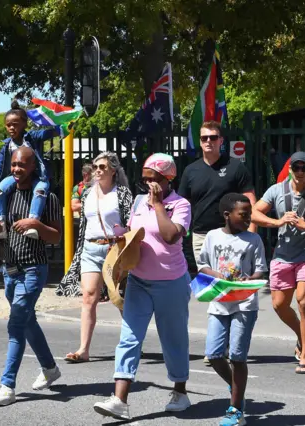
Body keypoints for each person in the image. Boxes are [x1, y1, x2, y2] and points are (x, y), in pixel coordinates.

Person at [93, 153, 192, 420]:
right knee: (129, 337)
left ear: (167, 179)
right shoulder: (138, 202)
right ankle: (119, 400)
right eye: (145, 179)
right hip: (139, 281)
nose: (148, 185)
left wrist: (159, 206)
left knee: (173, 340)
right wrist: (120, 236)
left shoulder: (180, 204)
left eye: (154, 179)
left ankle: (180, 392)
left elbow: (171, 237)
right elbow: (134, 232)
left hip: (171, 283)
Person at [0, 147, 63, 406]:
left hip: (33, 269)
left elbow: (56, 237)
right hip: (9, 268)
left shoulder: (47, 197)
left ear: (33, 167)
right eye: (13, 165)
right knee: (28, 321)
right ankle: (50, 368)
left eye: (22, 165)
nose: (16, 170)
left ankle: (7, 385)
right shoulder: (6, 194)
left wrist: (36, 225)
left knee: (16, 324)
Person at [251, 152, 305, 374]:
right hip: (283, 254)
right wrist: (277, 221)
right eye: (296, 167)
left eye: (304, 168)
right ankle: (302, 334)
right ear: (289, 169)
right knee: (279, 304)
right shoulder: (276, 190)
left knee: (304, 301)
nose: (299, 172)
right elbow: (253, 213)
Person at [178, 120, 257, 363]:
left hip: (232, 237)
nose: (209, 142)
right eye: (204, 138)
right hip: (202, 237)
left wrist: (250, 234)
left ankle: (225, 342)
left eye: (213, 137)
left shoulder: (235, 168)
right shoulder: (191, 171)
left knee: (231, 286)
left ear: (221, 141)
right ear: (199, 142)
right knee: (213, 287)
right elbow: (182, 204)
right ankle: (220, 343)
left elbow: (250, 200)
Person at [197, 193, 268, 426]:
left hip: (244, 304)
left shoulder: (253, 240)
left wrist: (250, 279)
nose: (248, 218)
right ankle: (236, 386)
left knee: (237, 356)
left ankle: (236, 409)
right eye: (243, 214)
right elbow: (203, 264)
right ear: (227, 215)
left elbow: (260, 270)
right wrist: (216, 274)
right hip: (219, 302)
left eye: (249, 214)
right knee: (215, 354)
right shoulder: (212, 236)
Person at [58, 153, 132, 362]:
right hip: (90, 249)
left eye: (102, 167)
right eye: (95, 167)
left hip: (114, 250)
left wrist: (122, 243)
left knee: (119, 299)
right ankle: (83, 350)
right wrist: (80, 250)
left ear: (113, 171)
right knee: (89, 296)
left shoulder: (123, 194)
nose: (97, 170)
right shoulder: (87, 193)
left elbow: (131, 224)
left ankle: (132, 341)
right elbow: (84, 225)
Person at [0, 101, 58, 240]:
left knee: (40, 191)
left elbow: (47, 133)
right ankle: (0, 225)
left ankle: (32, 223)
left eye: (15, 124)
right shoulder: (7, 146)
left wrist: (61, 127)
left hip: (37, 175)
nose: (11, 127)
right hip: (15, 176)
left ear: (24, 124)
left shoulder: (32, 137)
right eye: (8, 125)